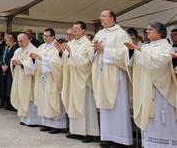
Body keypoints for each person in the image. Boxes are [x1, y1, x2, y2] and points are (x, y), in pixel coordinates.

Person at [129, 21, 177, 148]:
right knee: (150, 119)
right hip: (146, 87)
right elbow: (137, 64)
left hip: (159, 89)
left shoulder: (165, 46)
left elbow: (160, 62)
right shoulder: (147, 46)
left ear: (159, 32)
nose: (147, 31)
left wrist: (139, 49)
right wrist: (133, 51)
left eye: (150, 29)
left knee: (161, 118)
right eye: (147, 29)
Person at [92, 9, 132, 147]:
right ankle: (107, 136)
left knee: (117, 105)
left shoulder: (121, 34)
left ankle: (121, 139)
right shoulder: (99, 33)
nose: (101, 18)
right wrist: (94, 49)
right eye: (100, 16)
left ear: (112, 18)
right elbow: (92, 51)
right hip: (102, 74)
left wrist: (104, 48)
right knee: (105, 107)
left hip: (115, 73)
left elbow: (124, 53)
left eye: (103, 16)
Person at [58, 21, 99, 143]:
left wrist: (71, 52)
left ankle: (90, 133)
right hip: (72, 79)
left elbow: (87, 62)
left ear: (83, 31)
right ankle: (76, 131)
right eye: (73, 28)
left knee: (85, 106)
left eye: (76, 28)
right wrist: (62, 52)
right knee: (74, 105)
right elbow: (66, 59)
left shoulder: (88, 44)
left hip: (83, 80)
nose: (74, 30)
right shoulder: (71, 43)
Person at [29, 28, 66, 134]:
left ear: (53, 36)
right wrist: (33, 59)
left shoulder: (56, 46)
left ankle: (58, 125)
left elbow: (58, 63)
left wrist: (42, 59)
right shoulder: (41, 47)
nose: (44, 37)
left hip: (52, 78)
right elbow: (36, 60)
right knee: (44, 101)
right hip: (42, 78)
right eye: (44, 35)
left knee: (54, 101)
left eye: (47, 35)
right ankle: (47, 123)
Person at [11, 33, 41, 127]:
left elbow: (35, 65)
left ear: (27, 39)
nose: (19, 43)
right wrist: (13, 63)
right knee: (21, 96)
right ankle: (23, 118)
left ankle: (32, 120)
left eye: (21, 41)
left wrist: (21, 62)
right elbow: (13, 60)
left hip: (29, 79)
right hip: (19, 78)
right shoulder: (18, 50)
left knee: (29, 98)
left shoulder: (34, 50)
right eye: (18, 41)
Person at [0, 33, 18, 111]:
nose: (6, 43)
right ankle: (7, 103)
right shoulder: (6, 47)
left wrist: (7, 65)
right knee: (5, 87)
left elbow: (13, 58)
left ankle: (12, 105)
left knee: (10, 87)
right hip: (4, 70)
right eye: (6, 41)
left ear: (12, 40)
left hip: (11, 70)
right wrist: (2, 65)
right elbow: (1, 57)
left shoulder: (16, 47)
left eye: (8, 41)